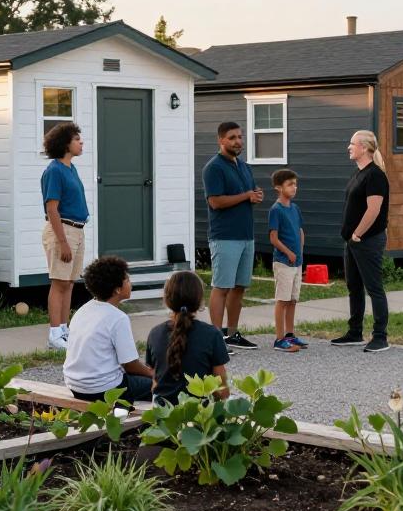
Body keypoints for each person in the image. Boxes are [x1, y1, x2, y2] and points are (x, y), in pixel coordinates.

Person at [202, 121, 263, 355]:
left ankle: (232, 333)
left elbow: (246, 195)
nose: (238, 141)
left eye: (240, 136)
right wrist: (246, 196)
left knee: (239, 287)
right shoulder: (214, 168)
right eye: (232, 137)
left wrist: (254, 196)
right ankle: (216, 338)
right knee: (221, 286)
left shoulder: (244, 166)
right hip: (225, 236)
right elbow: (215, 202)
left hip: (246, 235)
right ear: (221, 140)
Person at [330, 130, 390, 354]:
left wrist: (358, 234)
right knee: (353, 286)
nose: (349, 147)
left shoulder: (375, 175)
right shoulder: (358, 173)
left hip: (367, 240)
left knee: (374, 287)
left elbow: (374, 209)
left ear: (364, 147)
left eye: (352, 144)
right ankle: (355, 332)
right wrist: (351, 237)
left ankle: (380, 336)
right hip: (353, 241)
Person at [63, 256, 153, 403]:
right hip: (104, 390)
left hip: (76, 386)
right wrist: (152, 373)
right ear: (117, 290)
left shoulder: (82, 310)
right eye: (127, 281)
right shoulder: (118, 318)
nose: (131, 284)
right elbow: (130, 365)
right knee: (161, 386)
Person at [146, 271, 229, 405]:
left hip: (164, 417)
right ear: (200, 300)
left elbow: (155, 384)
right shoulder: (212, 334)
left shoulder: (155, 333)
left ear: (166, 300)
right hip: (200, 416)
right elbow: (222, 391)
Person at [40, 123, 88, 351]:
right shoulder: (54, 171)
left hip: (77, 229)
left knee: (68, 283)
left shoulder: (71, 169)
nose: (81, 143)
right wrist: (63, 242)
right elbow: (52, 209)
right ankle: (54, 333)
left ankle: (64, 329)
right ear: (65, 144)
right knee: (59, 282)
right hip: (63, 231)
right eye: (77, 139)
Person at [268, 168, 308, 353]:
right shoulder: (276, 210)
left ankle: (290, 334)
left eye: (295, 184)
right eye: (290, 184)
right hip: (283, 262)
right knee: (282, 299)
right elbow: (274, 238)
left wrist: (299, 252)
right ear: (278, 187)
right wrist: (289, 253)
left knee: (292, 299)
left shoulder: (295, 208)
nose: (294, 187)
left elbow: (299, 230)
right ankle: (279, 338)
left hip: (296, 262)